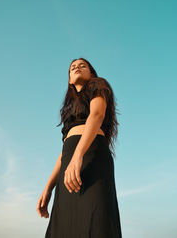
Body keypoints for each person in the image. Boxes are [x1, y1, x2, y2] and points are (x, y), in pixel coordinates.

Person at [37, 58, 122, 238]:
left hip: (92, 155)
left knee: (97, 220)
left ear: (91, 72)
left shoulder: (98, 85)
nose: (77, 68)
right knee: (65, 226)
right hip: (69, 162)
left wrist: (78, 156)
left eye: (82, 66)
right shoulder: (69, 109)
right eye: (72, 67)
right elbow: (63, 153)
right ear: (69, 79)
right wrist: (48, 187)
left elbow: (97, 114)